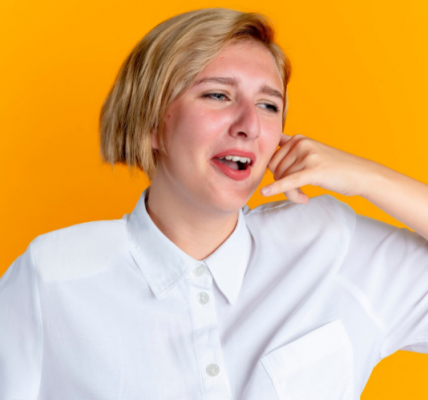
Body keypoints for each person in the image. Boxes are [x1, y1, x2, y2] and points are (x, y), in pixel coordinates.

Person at [1, 7, 428, 400]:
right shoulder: (53, 276)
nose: (249, 125)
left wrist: (370, 178)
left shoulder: (331, 247)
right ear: (152, 122)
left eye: (268, 105)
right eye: (218, 95)